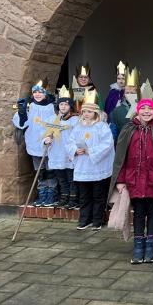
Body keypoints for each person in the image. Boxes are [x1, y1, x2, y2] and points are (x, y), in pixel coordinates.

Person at [110, 98, 153, 264]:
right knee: (139, 213)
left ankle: (150, 246)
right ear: (137, 110)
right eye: (143, 109)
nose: (146, 112)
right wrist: (120, 180)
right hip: (134, 179)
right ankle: (138, 246)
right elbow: (121, 157)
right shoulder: (129, 129)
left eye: (150, 109)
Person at [65, 90, 115, 230]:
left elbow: (107, 144)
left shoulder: (102, 127)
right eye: (84, 111)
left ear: (95, 113)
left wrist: (90, 150)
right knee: (84, 195)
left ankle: (97, 221)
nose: (86, 114)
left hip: (97, 167)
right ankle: (84, 219)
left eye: (89, 111)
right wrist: (75, 150)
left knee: (98, 195)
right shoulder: (77, 127)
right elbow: (69, 142)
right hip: (82, 166)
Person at [12, 79, 58, 207]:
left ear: (45, 93)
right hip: (34, 142)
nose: (37, 95)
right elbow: (21, 124)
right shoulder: (29, 106)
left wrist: (51, 135)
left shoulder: (51, 106)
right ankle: (42, 193)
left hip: (49, 142)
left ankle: (52, 194)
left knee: (50, 170)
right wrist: (22, 114)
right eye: (35, 92)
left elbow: (56, 122)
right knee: (40, 170)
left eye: (40, 92)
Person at [47, 85, 80, 209]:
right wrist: (47, 139)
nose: (63, 107)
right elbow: (47, 133)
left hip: (69, 152)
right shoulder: (52, 119)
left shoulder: (75, 119)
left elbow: (78, 135)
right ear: (58, 106)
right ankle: (64, 196)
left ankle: (73, 198)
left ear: (70, 106)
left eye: (66, 105)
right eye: (61, 105)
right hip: (56, 151)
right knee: (61, 177)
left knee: (71, 177)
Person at [109, 68, 140, 141]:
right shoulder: (116, 112)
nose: (130, 95)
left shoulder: (146, 109)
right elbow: (113, 134)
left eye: (133, 93)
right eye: (127, 93)